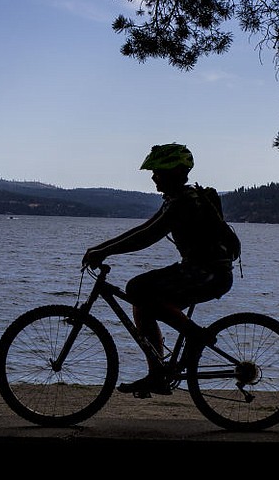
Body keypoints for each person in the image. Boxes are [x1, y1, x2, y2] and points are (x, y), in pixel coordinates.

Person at [82, 142, 236, 398]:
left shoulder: (185, 203)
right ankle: (158, 375)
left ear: (172, 172)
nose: (153, 177)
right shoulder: (176, 199)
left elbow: (148, 236)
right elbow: (142, 229)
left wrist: (104, 252)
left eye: (157, 171)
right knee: (142, 303)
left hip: (209, 274)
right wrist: (100, 248)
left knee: (136, 288)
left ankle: (195, 336)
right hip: (201, 271)